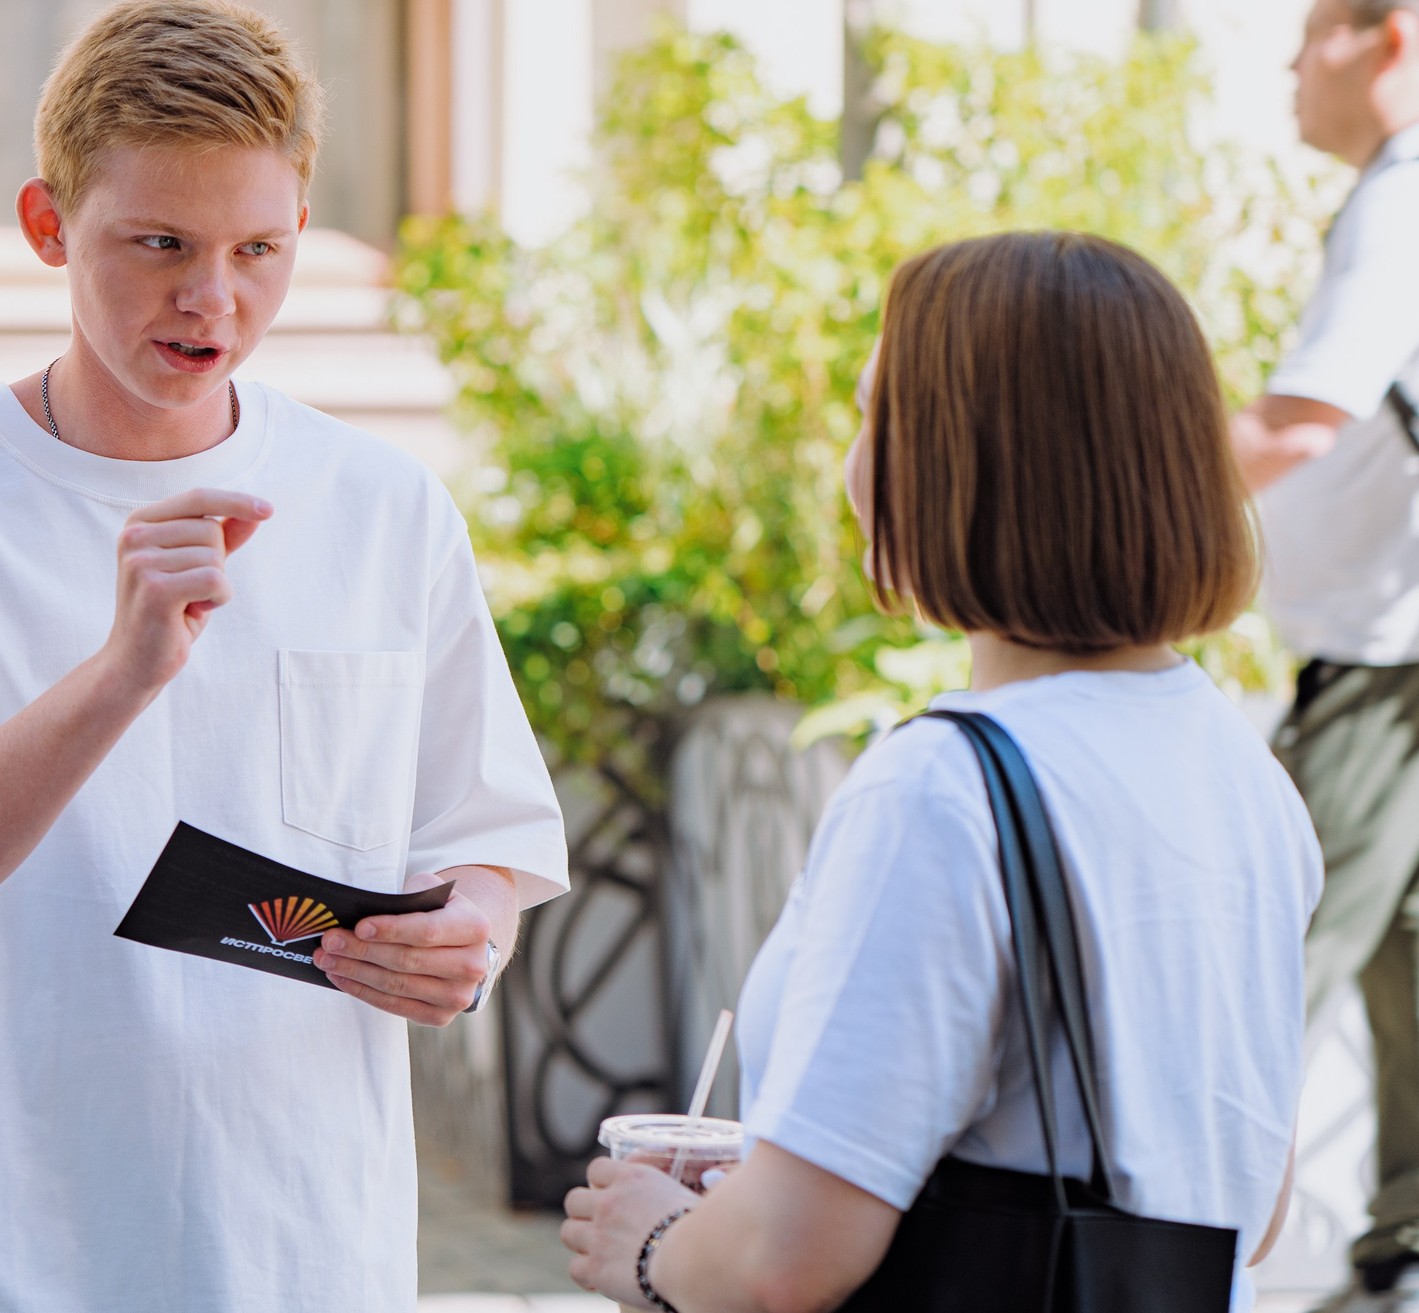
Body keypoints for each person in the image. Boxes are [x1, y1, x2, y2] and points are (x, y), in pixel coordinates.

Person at [0, 0, 570, 1310]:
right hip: (21, 1259)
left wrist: (466, 936)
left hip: (317, 1255)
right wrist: (122, 675)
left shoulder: (384, 505)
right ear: (48, 226)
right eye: (160, 244)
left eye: (260, 248)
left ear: (302, 222)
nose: (213, 298)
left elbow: (481, 841)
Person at [562, 232, 1318, 1313]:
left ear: (970, 457)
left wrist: (651, 1244)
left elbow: (785, 1259)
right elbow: (1253, 1201)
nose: (852, 463)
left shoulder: (943, 787)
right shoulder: (1245, 778)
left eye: (877, 415)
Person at [1229, 0, 1419, 1312]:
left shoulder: (1402, 199)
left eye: (1313, 37)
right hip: (1388, 643)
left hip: (1382, 655)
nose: (1293, 67)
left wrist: (1111, 480)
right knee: (1403, 954)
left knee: (1265, 954)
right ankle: (1402, 1248)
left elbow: (1302, 421)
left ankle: (1158, 1246)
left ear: (1390, 40)